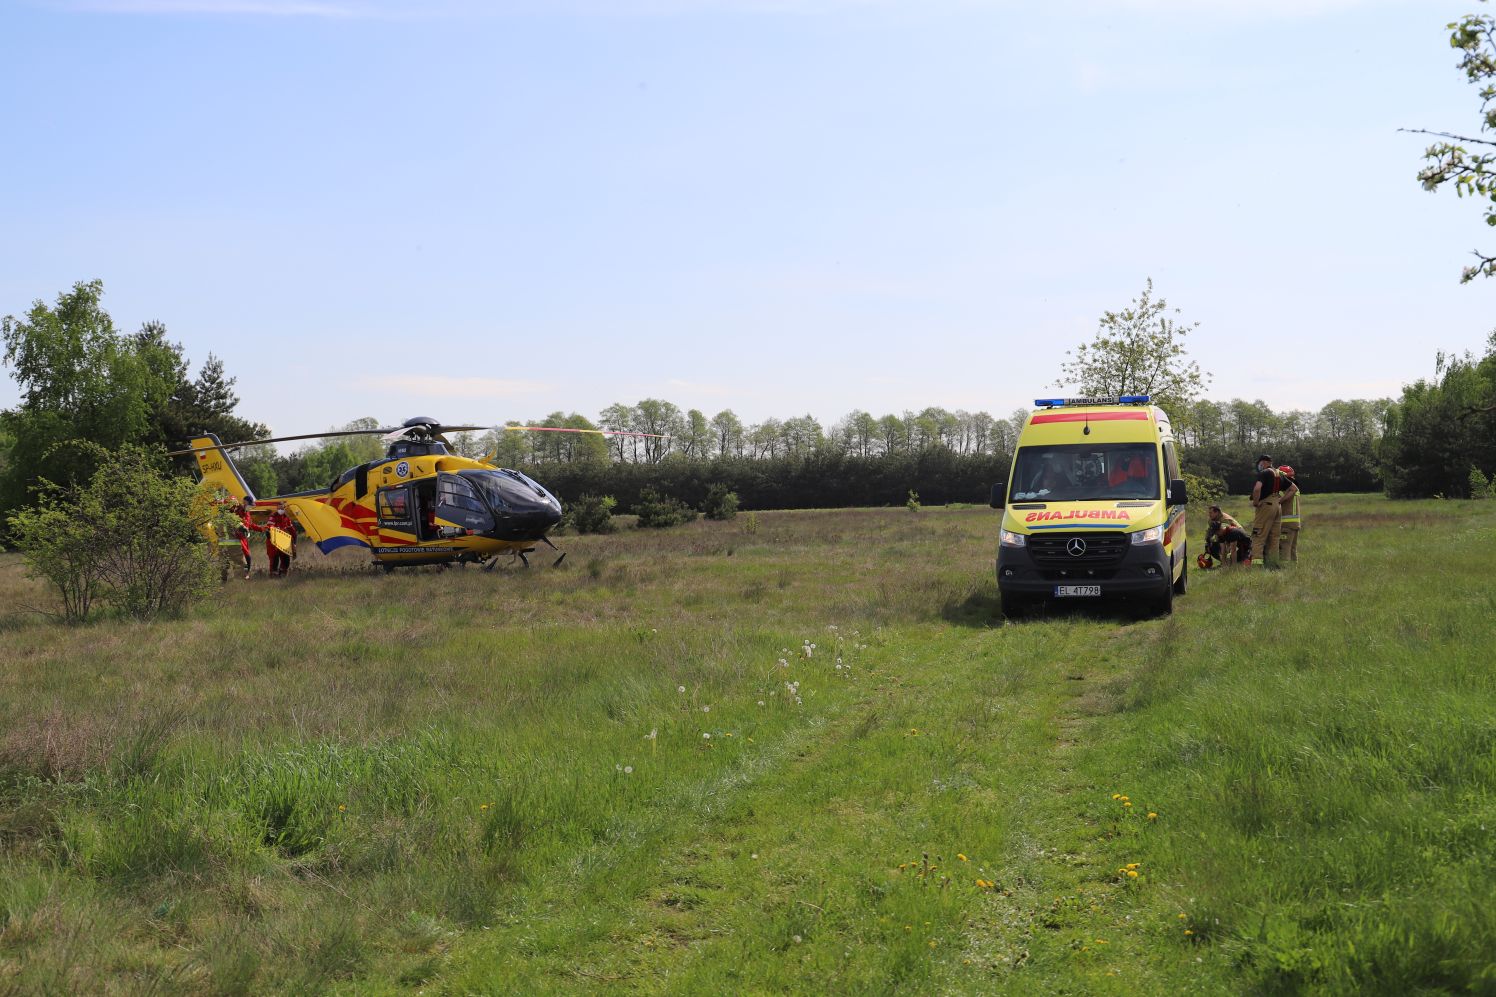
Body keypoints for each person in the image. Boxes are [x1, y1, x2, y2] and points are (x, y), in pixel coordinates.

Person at [1248, 455, 1298, 566]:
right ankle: (1273, 564)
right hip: (1277, 506)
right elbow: (1293, 489)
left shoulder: (1264, 473)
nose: (1259, 465)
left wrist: (1256, 502)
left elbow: (1257, 489)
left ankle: (1257, 564)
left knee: (1258, 535)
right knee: (1274, 537)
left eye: (1259, 463)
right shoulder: (1279, 474)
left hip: (1265, 505)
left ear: (1264, 462)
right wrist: (1280, 500)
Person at [1277, 465, 1301, 562]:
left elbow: (1277, 501)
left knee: (1284, 548)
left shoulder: (1285, 490)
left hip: (1286, 524)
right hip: (1296, 524)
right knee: (1293, 549)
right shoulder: (1296, 489)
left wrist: (1279, 500)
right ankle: (1293, 570)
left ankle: (1284, 570)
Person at [235, 504, 265, 579]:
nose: (251, 508)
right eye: (250, 506)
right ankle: (243, 575)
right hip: (238, 540)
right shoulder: (237, 514)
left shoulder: (247, 515)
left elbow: (250, 525)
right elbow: (240, 524)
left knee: (247, 557)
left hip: (244, 539)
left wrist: (262, 528)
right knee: (243, 559)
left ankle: (245, 574)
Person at [266, 502, 295, 577]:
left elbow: (292, 530)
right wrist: (275, 529)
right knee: (274, 558)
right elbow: (270, 527)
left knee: (286, 558)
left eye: (282, 508)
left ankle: (283, 573)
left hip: (283, 540)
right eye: (279, 508)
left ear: (284, 509)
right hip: (273, 541)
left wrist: (294, 542)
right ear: (277, 509)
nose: (280, 510)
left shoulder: (286, 518)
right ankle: (273, 574)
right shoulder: (273, 517)